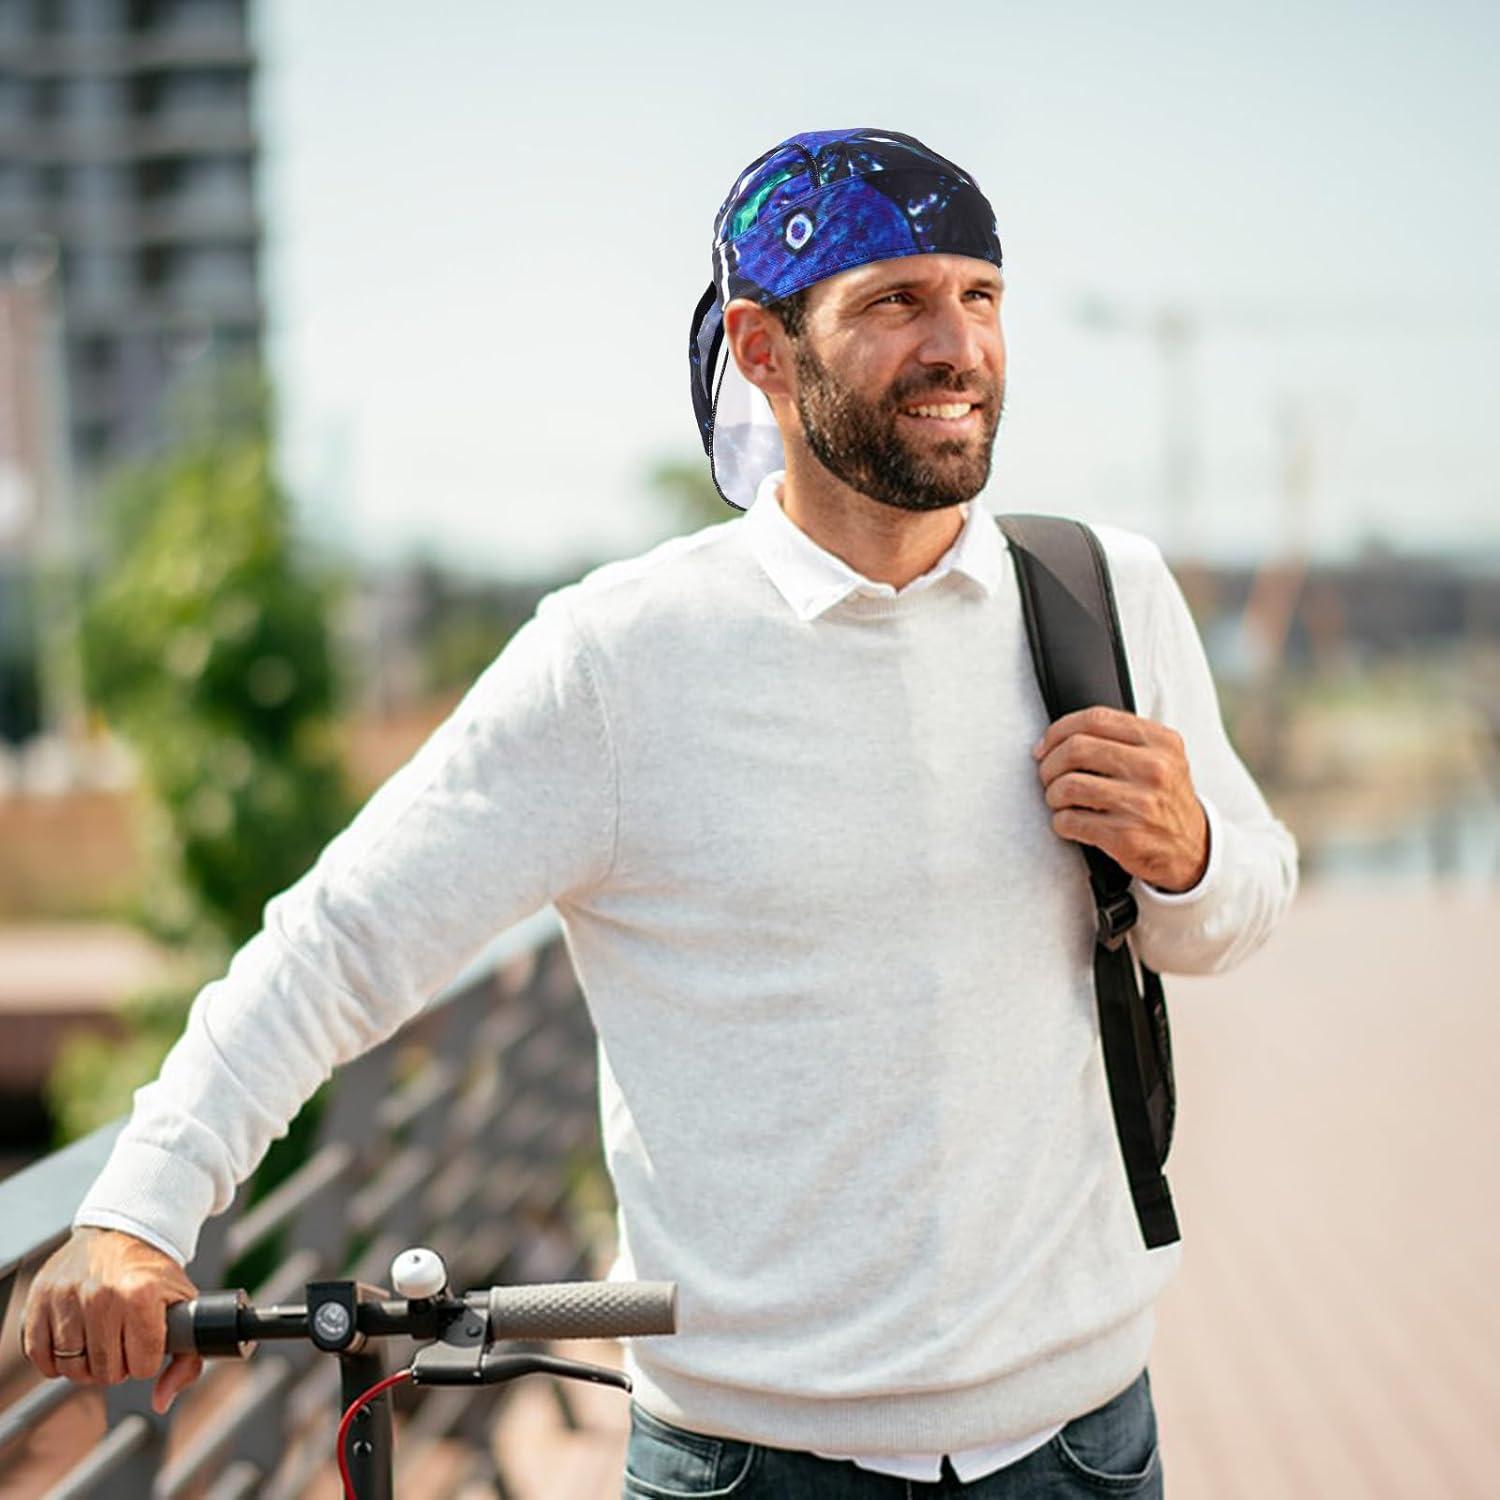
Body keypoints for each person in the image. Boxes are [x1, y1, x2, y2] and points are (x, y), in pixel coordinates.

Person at [23, 127, 1297, 1497]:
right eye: (895, 302)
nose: (958, 346)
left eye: (979, 296)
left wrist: (1191, 854)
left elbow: (1239, 908)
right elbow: (342, 940)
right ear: (763, 350)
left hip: (1084, 1444)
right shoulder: (620, 660)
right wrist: (142, 1209)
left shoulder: (1105, 596)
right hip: (751, 1464)